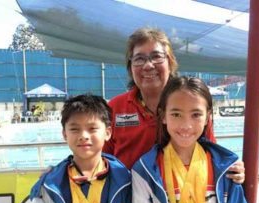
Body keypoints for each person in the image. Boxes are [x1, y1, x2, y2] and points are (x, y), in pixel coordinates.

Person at [131, 76, 255, 203]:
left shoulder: (224, 168)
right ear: (163, 115)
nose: (186, 125)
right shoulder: (146, 172)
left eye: (196, 114)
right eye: (176, 114)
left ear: (208, 117)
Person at [103, 27, 245, 184]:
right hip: (129, 200)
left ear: (170, 63)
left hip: (180, 198)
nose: (148, 65)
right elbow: (102, 161)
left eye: (156, 56)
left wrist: (232, 170)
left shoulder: (193, 106)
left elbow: (210, 154)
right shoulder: (115, 107)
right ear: (130, 67)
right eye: (139, 59)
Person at [24, 94, 139, 203]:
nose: (84, 136)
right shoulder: (49, 189)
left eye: (92, 128)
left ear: (108, 132)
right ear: (64, 134)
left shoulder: (125, 183)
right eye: (75, 129)